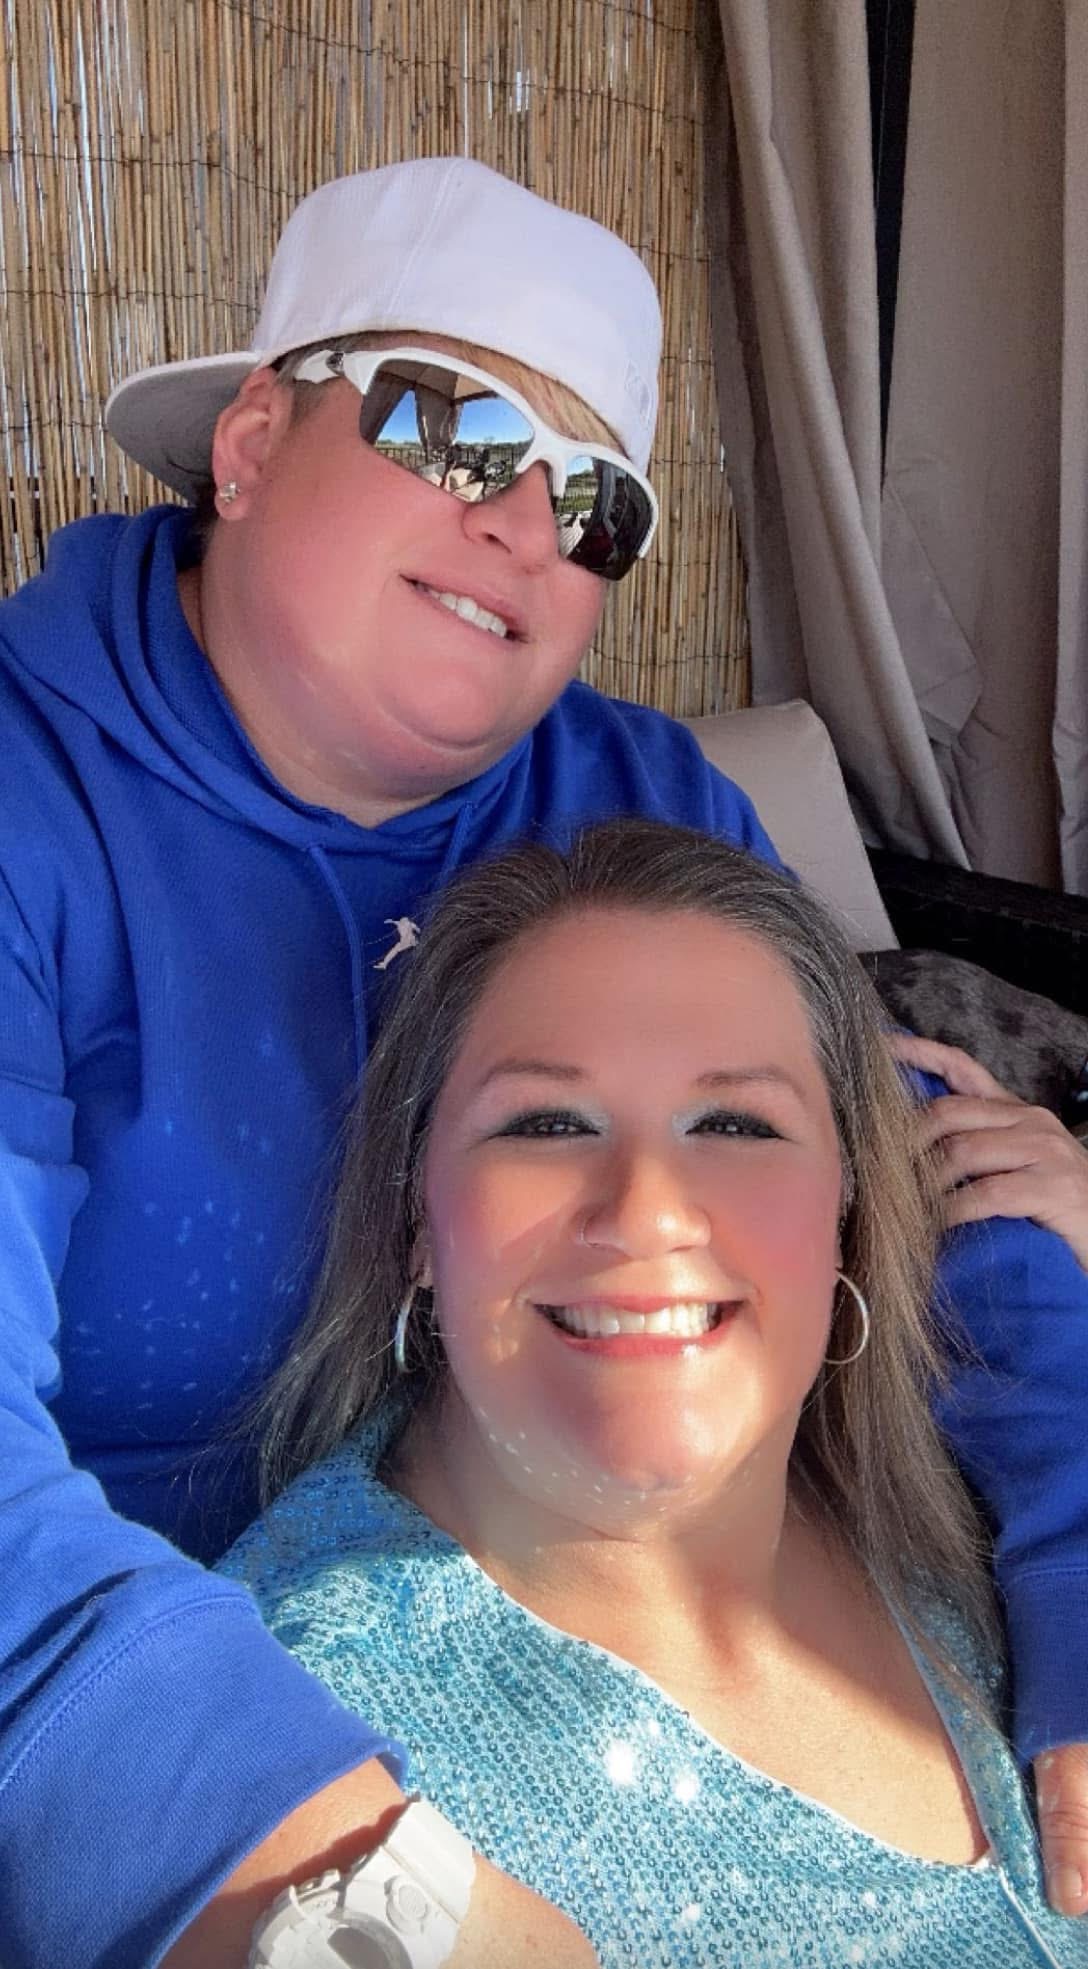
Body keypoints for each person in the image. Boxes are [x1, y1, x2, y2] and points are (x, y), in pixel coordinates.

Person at [0, 153, 1085, 1967]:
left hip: (599, 1614)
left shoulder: (633, 795)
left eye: (594, 501)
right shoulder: (30, 806)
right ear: (251, 440)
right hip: (125, 1751)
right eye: (448, 422)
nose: (523, 517)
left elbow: (888, 1176)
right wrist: (354, 1889)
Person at [220, 818, 1088, 1968]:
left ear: (846, 1203)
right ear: (415, 1213)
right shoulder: (287, 1751)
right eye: (546, 1123)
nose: (646, 1213)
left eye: (734, 1123)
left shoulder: (975, 1490)